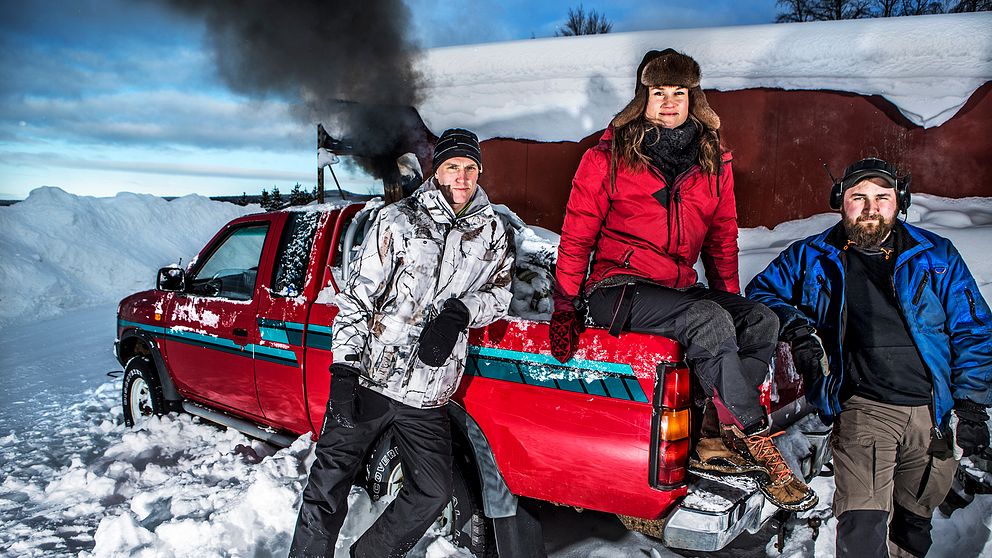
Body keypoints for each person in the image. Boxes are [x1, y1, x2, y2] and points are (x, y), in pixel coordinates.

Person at [549, 48, 816, 512]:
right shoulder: (606, 158)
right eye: (658, 93)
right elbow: (575, 237)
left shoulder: (714, 161)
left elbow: (721, 239)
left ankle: (715, 435)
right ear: (642, 99)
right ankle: (755, 438)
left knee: (760, 321)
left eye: (679, 93)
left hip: (677, 288)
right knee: (706, 320)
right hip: (618, 288)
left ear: (694, 98)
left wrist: (731, 303)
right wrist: (566, 305)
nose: (669, 102)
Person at [746, 157, 992, 558]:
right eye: (858, 197)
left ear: (900, 202)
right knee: (862, 528)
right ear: (841, 202)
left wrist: (972, 407)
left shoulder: (937, 256)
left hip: (932, 413)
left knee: (913, 524)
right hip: (864, 409)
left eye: (882, 197)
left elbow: (973, 329)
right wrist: (799, 330)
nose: (870, 207)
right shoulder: (813, 256)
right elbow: (760, 293)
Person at [290, 128, 514, 558]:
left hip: (428, 393)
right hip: (372, 379)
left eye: (470, 168)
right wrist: (343, 371)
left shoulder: (491, 231)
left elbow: (500, 293)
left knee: (433, 491)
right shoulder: (399, 220)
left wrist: (462, 312)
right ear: (437, 170)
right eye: (453, 167)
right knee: (328, 485)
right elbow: (356, 299)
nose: (462, 177)